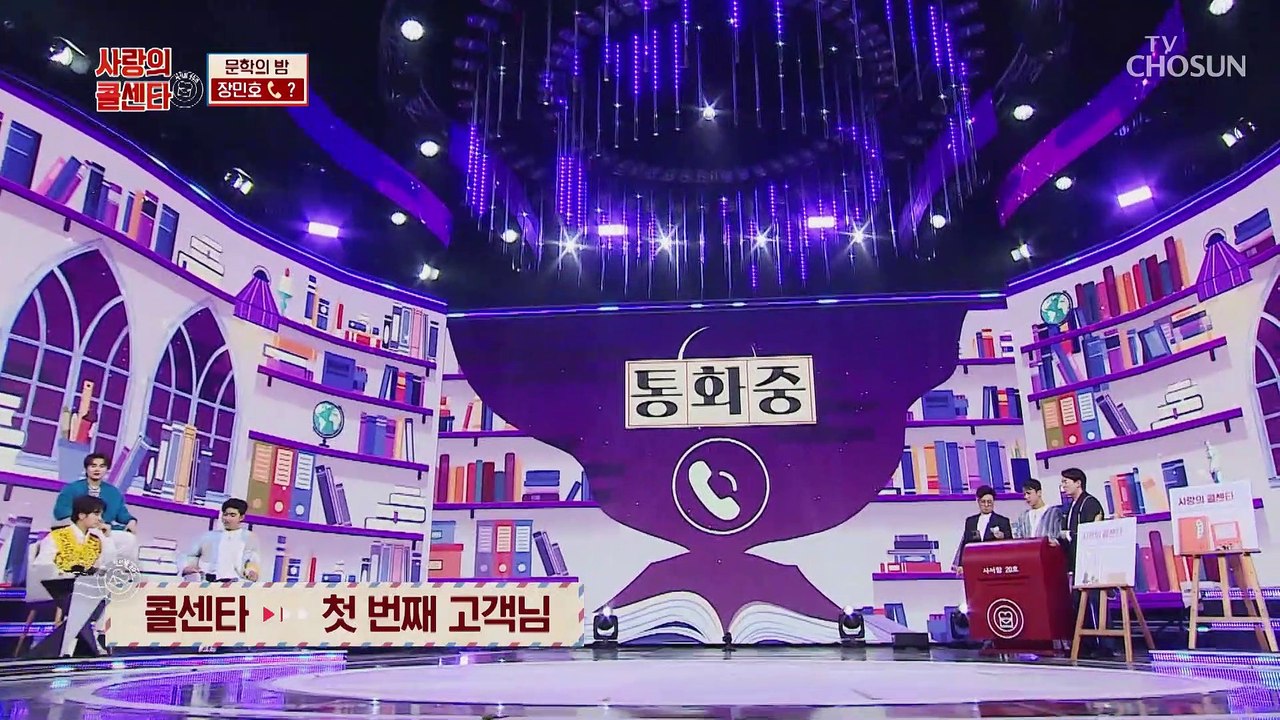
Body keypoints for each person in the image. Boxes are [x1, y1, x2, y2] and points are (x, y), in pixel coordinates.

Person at [31, 495, 118, 657]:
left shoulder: (96, 540)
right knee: (82, 602)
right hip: (59, 586)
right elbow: (42, 565)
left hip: (85, 586)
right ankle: (92, 645)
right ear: (81, 515)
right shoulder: (58, 536)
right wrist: (65, 573)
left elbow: (109, 563)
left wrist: (107, 538)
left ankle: (56, 649)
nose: (100, 519)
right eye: (96, 514)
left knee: (109, 594)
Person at [53, 453, 138, 561]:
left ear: (106, 469)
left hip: (104, 530)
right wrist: (87, 521)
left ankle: (121, 569)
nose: (97, 469)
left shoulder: (113, 492)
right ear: (86, 468)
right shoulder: (72, 488)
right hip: (79, 529)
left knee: (129, 539)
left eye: (102, 466)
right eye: (93, 466)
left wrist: (131, 521)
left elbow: (122, 514)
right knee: (105, 545)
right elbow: (60, 511)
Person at [181, 498, 262, 582]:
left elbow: (253, 560)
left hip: (236, 583)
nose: (227, 518)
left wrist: (252, 572)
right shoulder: (209, 536)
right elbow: (190, 555)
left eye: (232, 515)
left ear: (241, 517)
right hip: (209, 582)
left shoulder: (249, 537)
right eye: (225, 514)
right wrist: (188, 567)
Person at [951, 486, 1013, 571]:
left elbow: (1010, 545)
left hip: (995, 565)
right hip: (975, 564)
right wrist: (961, 565)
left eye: (989, 502)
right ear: (978, 501)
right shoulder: (970, 521)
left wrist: (1003, 537)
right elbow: (965, 544)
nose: (986, 505)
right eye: (983, 502)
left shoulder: (1003, 521)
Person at [1059, 467, 1106, 567]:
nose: (1063, 486)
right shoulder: (1071, 505)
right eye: (1062, 482)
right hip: (1074, 557)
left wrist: (1068, 534)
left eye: (1065, 482)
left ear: (1078, 483)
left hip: (1088, 559)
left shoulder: (1090, 503)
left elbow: (1091, 533)